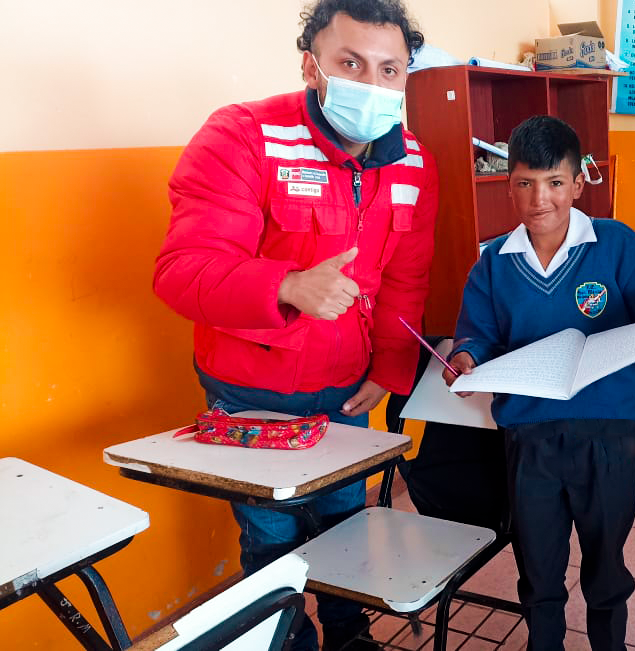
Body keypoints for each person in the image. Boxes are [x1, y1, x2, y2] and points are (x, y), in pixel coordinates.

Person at [153, 1, 437, 649]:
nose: (371, 83)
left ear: (406, 76)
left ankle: (346, 632)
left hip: (347, 390)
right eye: (350, 63)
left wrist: (390, 367)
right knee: (271, 535)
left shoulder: (414, 161)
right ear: (312, 66)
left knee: (345, 523)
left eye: (389, 69)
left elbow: (406, 277)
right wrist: (283, 285)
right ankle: (282, 638)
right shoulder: (241, 136)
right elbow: (182, 268)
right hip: (249, 393)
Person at [443, 116, 635, 651]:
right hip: (530, 439)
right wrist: (466, 356)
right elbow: (476, 335)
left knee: (606, 564)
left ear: (577, 183)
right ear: (509, 185)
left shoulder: (613, 243)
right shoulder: (494, 263)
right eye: (524, 183)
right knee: (538, 565)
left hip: (607, 437)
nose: (538, 198)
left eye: (554, 182)